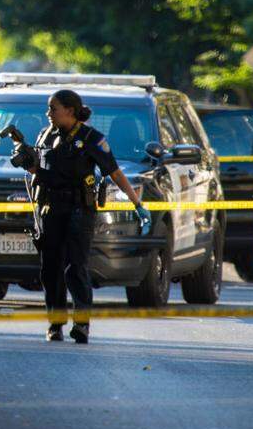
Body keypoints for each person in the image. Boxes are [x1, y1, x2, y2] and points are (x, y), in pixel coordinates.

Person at [10, 89, 152, 345]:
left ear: (70, 111)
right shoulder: (46, 135)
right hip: (49, 210)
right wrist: (26, 162)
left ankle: (82, 324)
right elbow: (39, 172)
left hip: (78, 211)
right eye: (48, 109)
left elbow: (115, 172)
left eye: (53, 109)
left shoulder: (91, 138)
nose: (48, 114)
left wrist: (137, 203)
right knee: (50, 268)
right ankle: (55, 324)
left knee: (75, 267)